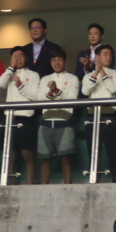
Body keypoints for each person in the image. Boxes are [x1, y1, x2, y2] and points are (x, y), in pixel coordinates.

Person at [0, 47, 43, 184]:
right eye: (15, 56)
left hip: (26, 117)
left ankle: (29, 185)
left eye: (21, 56)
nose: (18, 59)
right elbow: (0, 84)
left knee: (27, 154)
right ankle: (9, 185)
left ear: (26, 58)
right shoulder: (9, 73)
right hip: (9, 118)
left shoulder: (33, 75)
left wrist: (20, 85)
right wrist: (10, 67)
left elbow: (36, 96)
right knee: (10, 155)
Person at [81, 46, 116, 183]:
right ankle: (94, 182)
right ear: (98, 57)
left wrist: (102, 72)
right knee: (94, 153)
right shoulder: (88, 75)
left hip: (110, 115)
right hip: (92, 116)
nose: (108, 57)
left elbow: (113, 89)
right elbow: (85, 91)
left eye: (110, 54)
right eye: (105, 54)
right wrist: (96, 72)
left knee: (113, 152)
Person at [37, 51, 80, 185]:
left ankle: (68, 189)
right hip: (46, 123)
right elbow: (39, 99)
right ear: (50, 62)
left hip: (64, 123)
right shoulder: (45, 79)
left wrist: (57, 91)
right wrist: (50, 93)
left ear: (65, 61)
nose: (57, 63)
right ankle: (43, 189)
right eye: (54, 60)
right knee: (45, 159)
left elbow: (72, 99)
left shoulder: (73, 78)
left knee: (66, 159)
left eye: (60, 60)